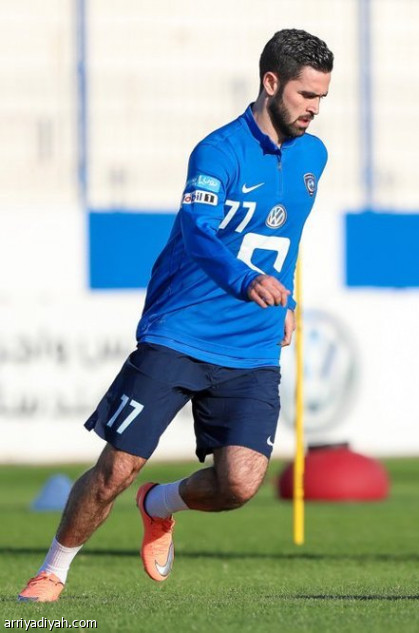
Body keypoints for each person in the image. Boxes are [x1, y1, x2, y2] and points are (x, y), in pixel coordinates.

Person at [18, 29, 334, 602]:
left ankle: (159, 505)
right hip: (181, 332)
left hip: (253, 347)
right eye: (307, 96)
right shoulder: (219, 151)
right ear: (271, 83)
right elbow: (197, 232)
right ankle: (53, 570)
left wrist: (287, 300)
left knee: (239, 483)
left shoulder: (315, 155)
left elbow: (284, 235)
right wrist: (245, 280)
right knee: (117, 468)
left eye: (322, 99)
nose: (315, 109)